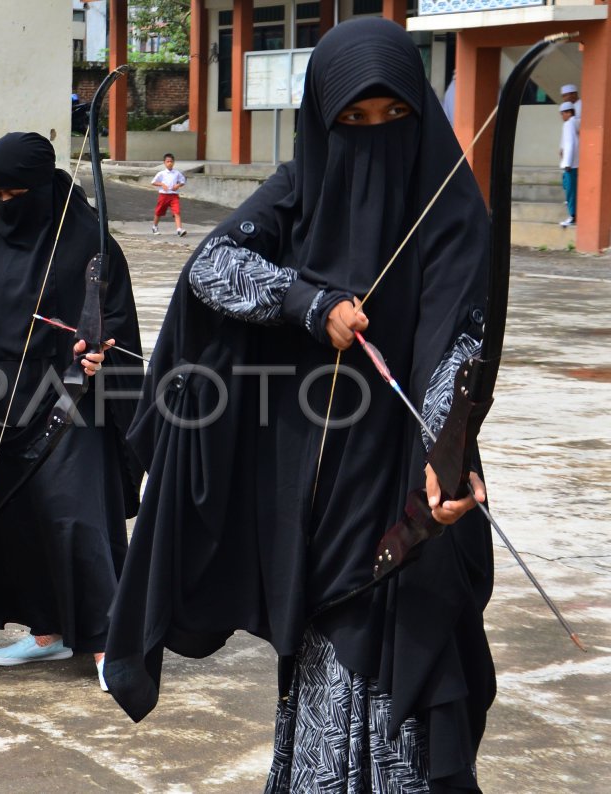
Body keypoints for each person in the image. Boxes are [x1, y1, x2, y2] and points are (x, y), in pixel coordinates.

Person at [103, 18, 494, 791]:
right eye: (353, 119)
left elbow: (460, 344)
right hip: (314, 481)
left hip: (409, 481)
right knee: (324, 644)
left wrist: (443, 457)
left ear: (421, 109)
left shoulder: (452, 209)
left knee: (405, 648)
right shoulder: (301, 190)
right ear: (323, 120)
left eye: (393, 116)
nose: (373, 136)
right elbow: (212, 269)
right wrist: (310, 305)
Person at [0, 132, 144, 689]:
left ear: (46, 186)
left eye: (16, 192)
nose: (6, 205)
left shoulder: (89, 243)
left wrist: (98, 352)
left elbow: (115, 325)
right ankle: (50, 631)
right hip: (2, 400)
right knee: (18, 520)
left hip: (71, 399)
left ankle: (108, 644)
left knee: (74, 518)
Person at [150, 153, 186, 237]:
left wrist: (178, 185)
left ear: (173, 163)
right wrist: (162, 184)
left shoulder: (177, 173)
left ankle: (179, 229)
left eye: (171, 161)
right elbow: (153, 182)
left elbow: (183, 181)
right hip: (164, 195)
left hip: (174, 196)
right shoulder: (161, 173)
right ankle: (154, 226)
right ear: (164, 163)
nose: (169, 163)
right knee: (159, 212)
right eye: (167, 161)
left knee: (177, 212)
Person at [558, 100, 579, 228]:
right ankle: (572, 213)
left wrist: (567, 162)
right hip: (574, 164)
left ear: (568, 112)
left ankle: (572, 217)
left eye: (563, 113)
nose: (562, 116)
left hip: (570, 165)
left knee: (570, 191)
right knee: (567, 186)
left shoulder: (568, 124)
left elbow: (571, 143)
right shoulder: (575, 123)